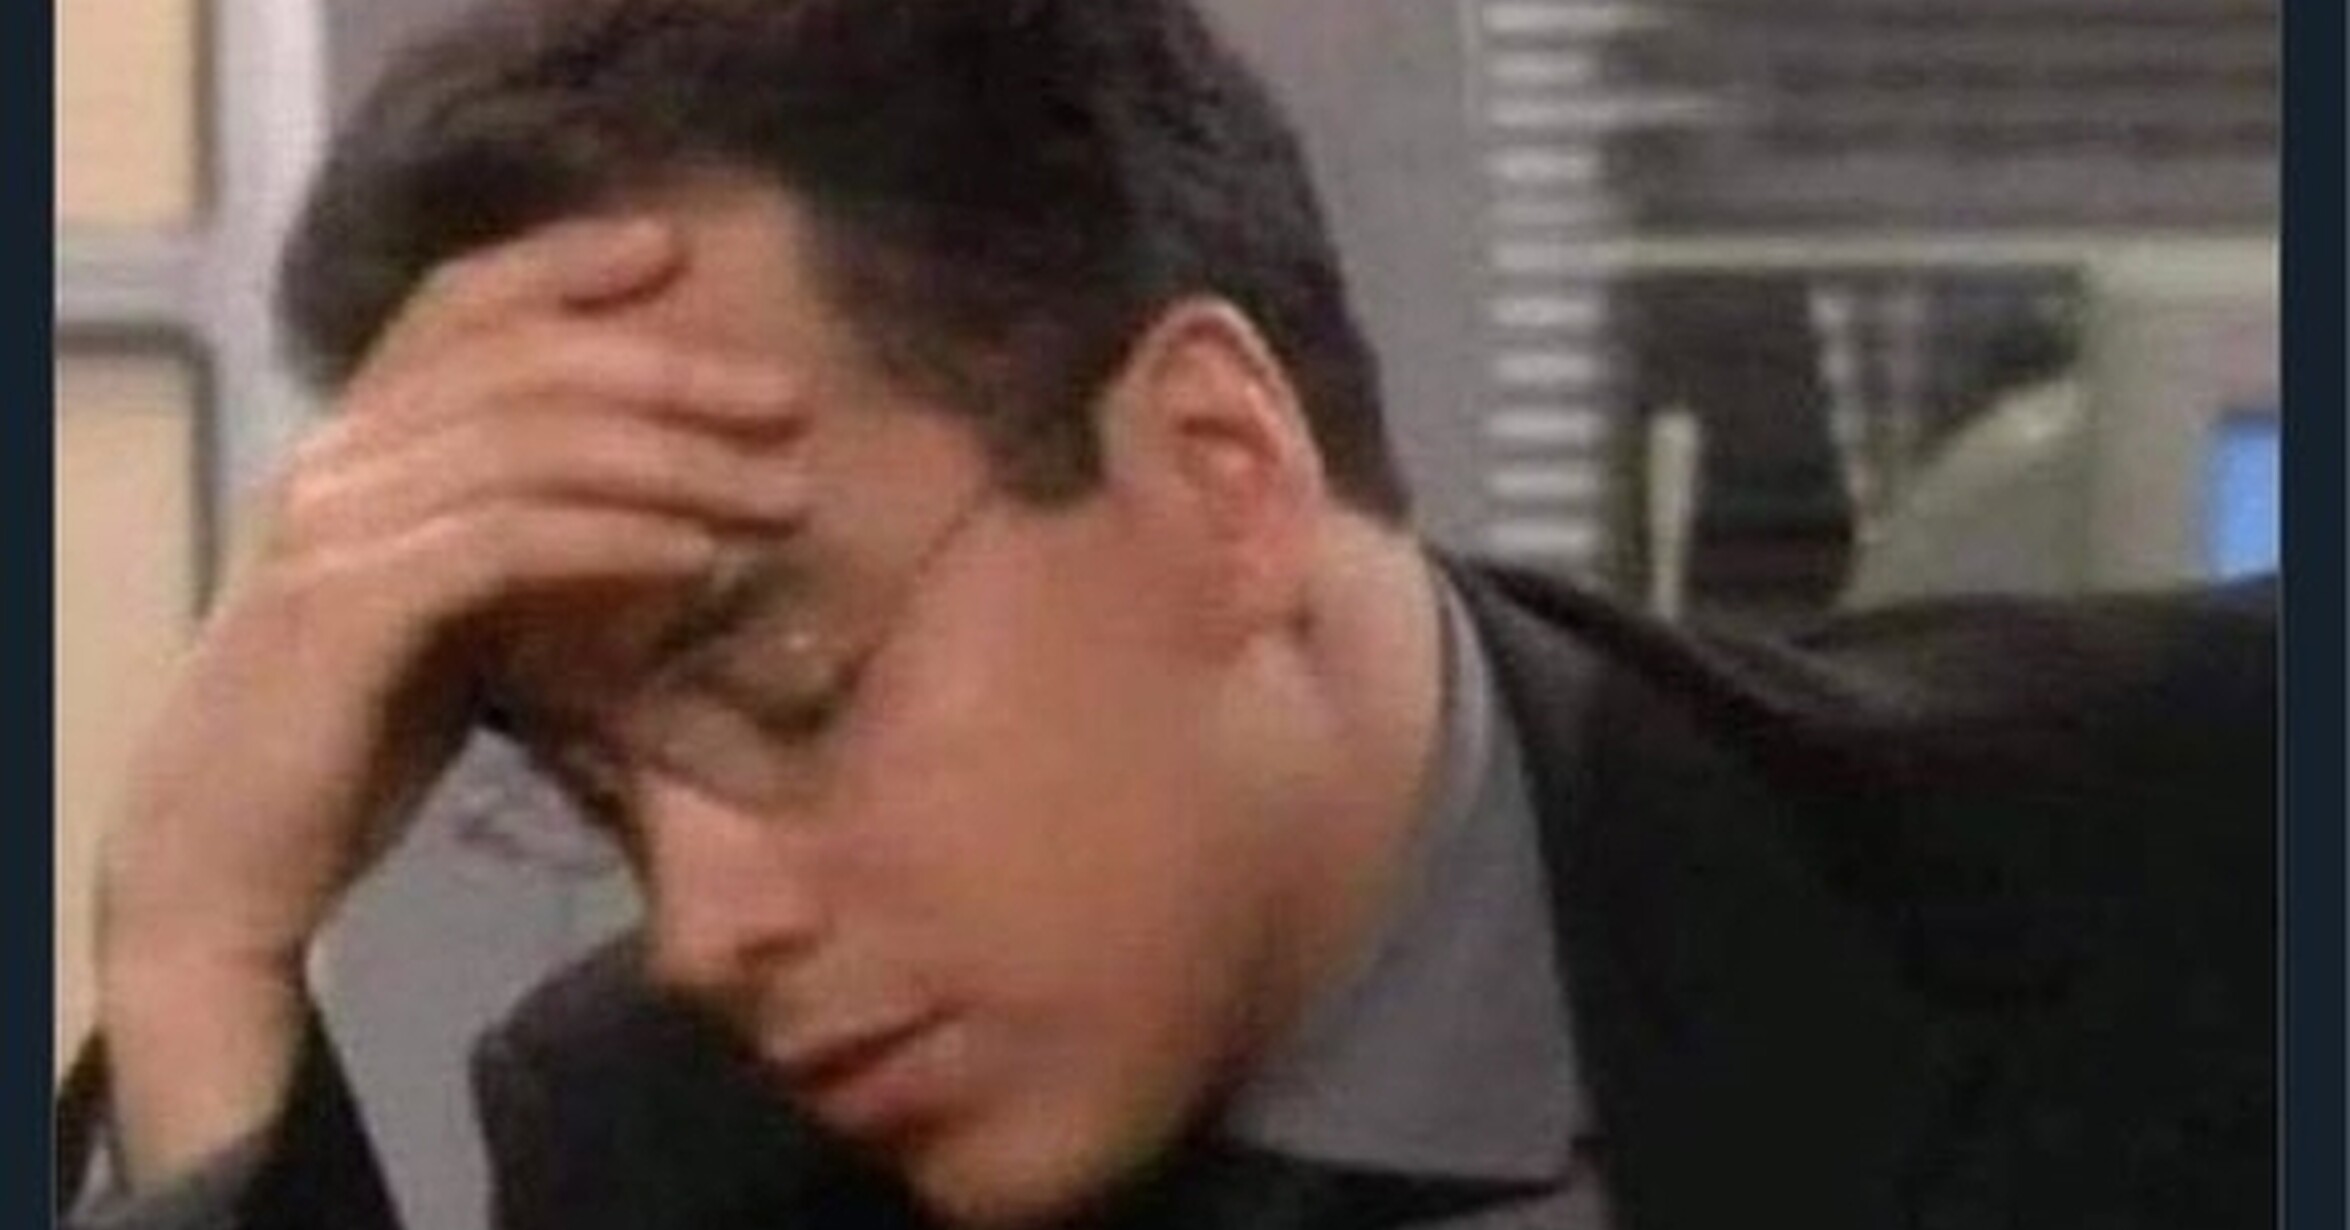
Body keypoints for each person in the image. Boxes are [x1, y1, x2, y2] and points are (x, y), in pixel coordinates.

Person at [61, 0, 2275, 1227]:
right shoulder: (667, 1161)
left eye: (787, 692)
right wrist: (193, 956)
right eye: (602, 796)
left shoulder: (2207, 854)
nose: (708, 928)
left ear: (1217, 468)